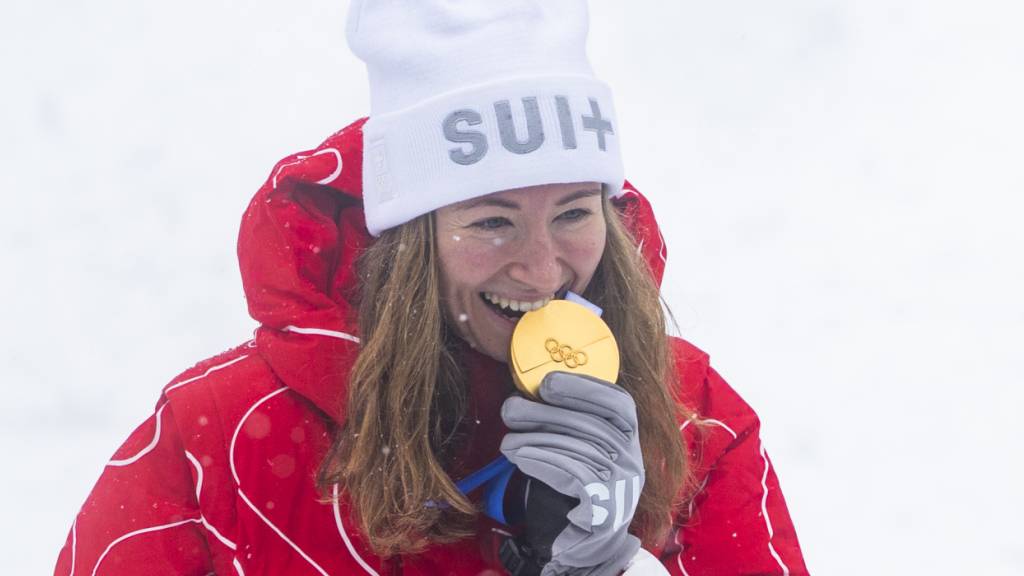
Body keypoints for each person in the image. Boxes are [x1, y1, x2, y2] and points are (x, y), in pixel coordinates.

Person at [54, 1, 808, 574]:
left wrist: (610, 567)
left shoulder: (695, 423)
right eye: (492, 222)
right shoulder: (220, 435)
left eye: (574, 212)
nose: (543, 270)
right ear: (412, 239)